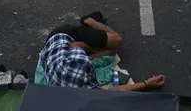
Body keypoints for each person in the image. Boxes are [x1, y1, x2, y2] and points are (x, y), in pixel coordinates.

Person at [38, 12, 166, 91]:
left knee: (116, 41)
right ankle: (93, 28)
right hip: (59, 44)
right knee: (114, 46)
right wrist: (145, 84)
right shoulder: (85, 91)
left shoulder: (71, 90)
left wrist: (93, 49)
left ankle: (90, 21)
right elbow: (113, 92)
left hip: (66, 34)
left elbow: (76, 45)